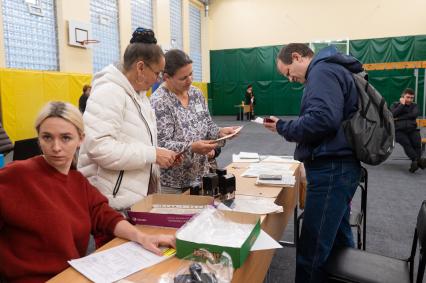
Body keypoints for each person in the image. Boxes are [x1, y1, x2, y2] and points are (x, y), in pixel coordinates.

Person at [0, 101, 175, 283]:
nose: (56, 147)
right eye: (47, 137)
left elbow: (105, 217)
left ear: (81, 139)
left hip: (71, 276)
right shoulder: (16, 175)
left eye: (66, 138)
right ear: (39, 138)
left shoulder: (78, 182)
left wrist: (143, 237)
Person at [264, 43, 362, 283]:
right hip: (340, 167)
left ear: (297, 57)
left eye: (288, 72)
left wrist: (282, 127)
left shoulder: (321, 72)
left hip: (331, 170)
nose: (290, 79)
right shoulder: (331, 69)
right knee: (338, 238)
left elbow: (323, 120)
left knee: (312, 248)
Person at [78, 28, 178, 214]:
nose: (158, 79)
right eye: (157, 73)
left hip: (134, 197)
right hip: (111, 203)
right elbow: (99, 148)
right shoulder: (109, 92)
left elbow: (139, 141)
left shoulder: (140, 95)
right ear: (140, 67)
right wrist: (152, 154)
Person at [151, 49, 236, 194]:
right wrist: (191, 147)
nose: (189, 80)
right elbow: (161, 144)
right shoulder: (159, 102)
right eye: (183, 78)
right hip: (173, 185)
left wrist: (220, 132)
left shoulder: (196, 93)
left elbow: (207, 124)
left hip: (201, 177)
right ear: (166, 77)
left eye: (191, 74)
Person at [390, 88, 426, 172]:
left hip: (412, 129)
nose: (410, 99)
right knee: (407, 143)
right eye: (408, 97)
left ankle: (415, 163)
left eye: (411, 98)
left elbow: (414, 115)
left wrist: (399, 118)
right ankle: (418, 161)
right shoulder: (395, 104)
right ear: (403, 96)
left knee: (417, 143)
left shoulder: (415, 106)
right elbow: (392, 114)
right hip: (398, 130)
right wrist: (401, 105)